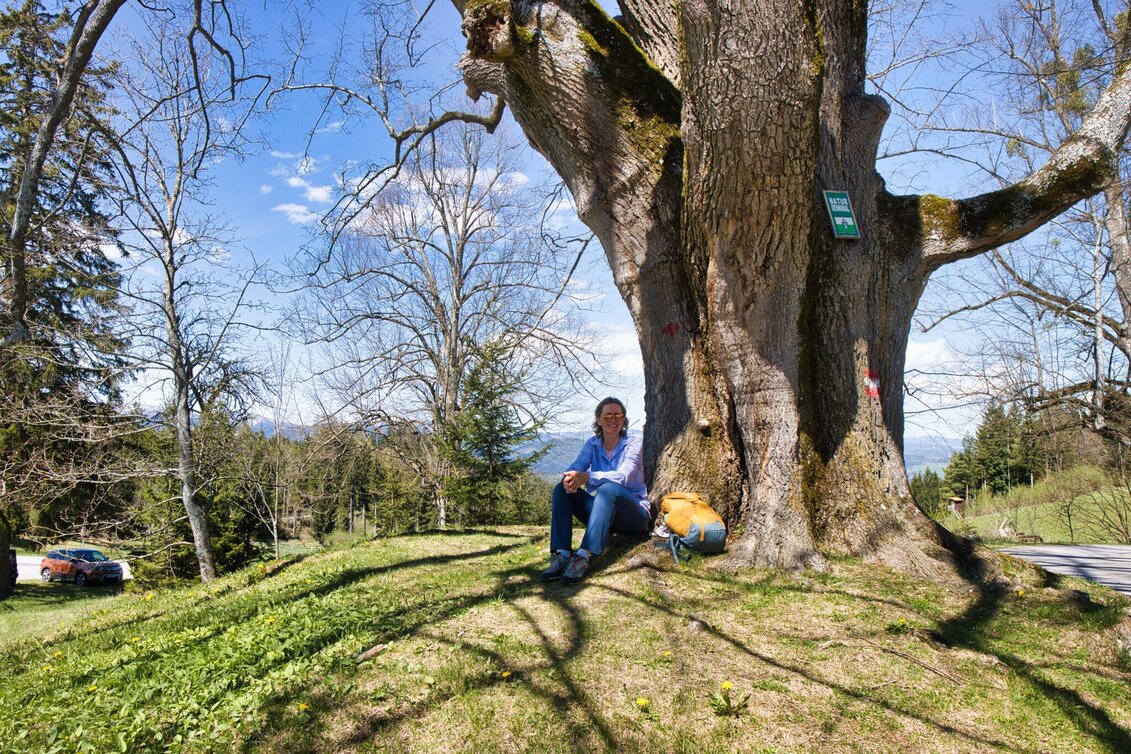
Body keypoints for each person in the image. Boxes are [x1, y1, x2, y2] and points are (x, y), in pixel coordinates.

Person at [541, 397, 651, 584]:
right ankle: (563, 554)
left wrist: (588, 477)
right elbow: (575, 467)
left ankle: (583, 557)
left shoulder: (633, 443)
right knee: (562, 490)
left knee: (608, 488)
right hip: (604, 514)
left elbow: (624, 476)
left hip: (633, 515)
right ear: (598, 420)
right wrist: (570, 478)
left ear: (624, 420)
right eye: (607, 416)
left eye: (618, 415)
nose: (613, 420)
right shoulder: (593, 444)